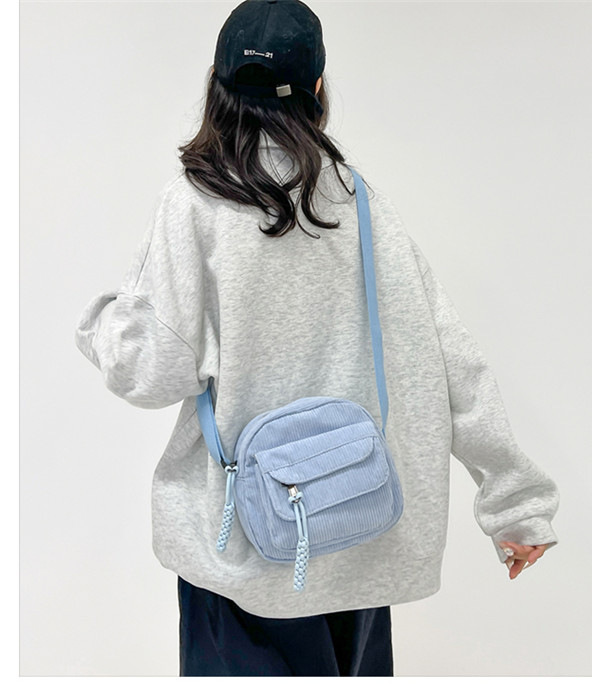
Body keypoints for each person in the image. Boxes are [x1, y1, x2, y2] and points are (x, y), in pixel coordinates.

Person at [73, 0, 561, 677]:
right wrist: (517, 505)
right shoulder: (357, 202)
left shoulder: (196, 203)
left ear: (215, 85)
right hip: (355, 535)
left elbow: (152, 370)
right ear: (319, 89)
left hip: (242, 555)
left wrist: (101, 324)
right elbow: (452, 359)